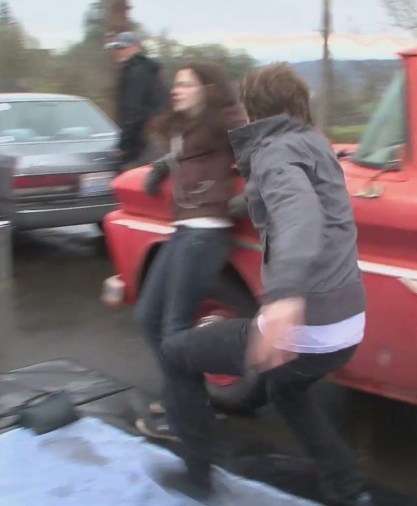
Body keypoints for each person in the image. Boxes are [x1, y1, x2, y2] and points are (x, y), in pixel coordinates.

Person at [153, 63, 374, 506]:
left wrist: (283, 300)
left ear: (253, 110)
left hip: (308, 320)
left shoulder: (275, 154)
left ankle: (197, 477)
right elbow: (305, 200)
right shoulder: (315, 145)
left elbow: (299, 216)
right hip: (348, 322)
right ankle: (347, 487)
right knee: (284, 389)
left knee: (175, 353)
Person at [132, 61, 247, 438]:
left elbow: (263, 153)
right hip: (184, 229)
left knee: (174, 328)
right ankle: (185, 398)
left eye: (185, 84)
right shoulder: (186, 125)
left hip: (206, 232)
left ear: (207, 89)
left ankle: (185, 415)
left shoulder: (225, 120)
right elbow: (182, 154)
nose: (175, 90)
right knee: (148, 316)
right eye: (176, 84)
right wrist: (161, 167)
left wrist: (254, 196)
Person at [105, 31, 170, 170]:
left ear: (136, 48)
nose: (118, 52)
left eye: (123, 48)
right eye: (116, 48)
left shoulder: (135, 73)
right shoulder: (149, 71)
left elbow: (132, 111)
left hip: (143, 144)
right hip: (156, 140)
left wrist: (123, 145)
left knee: (133, 178)